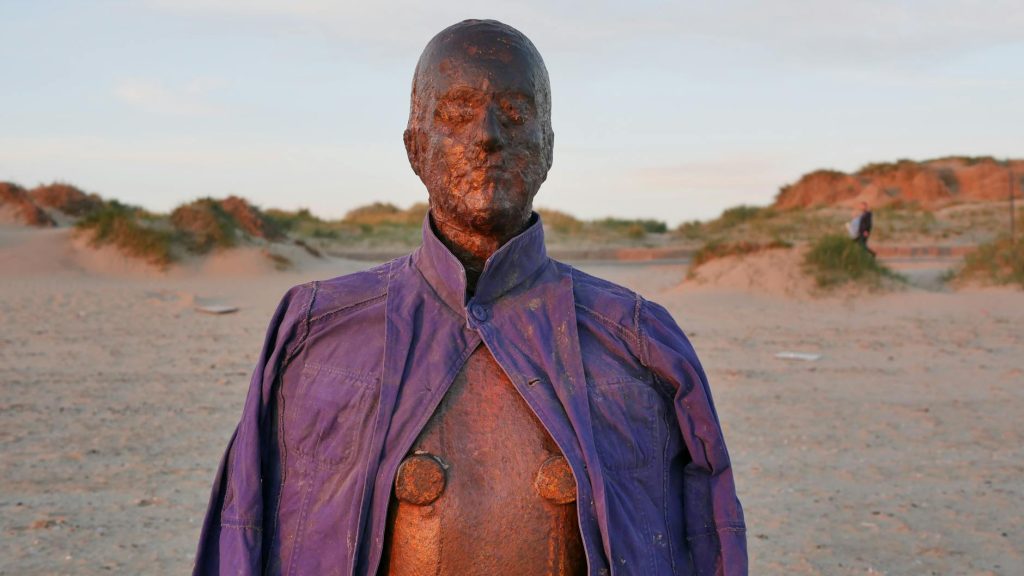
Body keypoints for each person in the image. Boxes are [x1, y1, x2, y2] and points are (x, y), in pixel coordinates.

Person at [193, 19, 746, 576]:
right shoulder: (314, 332)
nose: (486, 136)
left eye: (514, 113)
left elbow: (709, 534)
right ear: (415, 146)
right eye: (457, 114)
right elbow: (243, 530)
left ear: (547, 147)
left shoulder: (638, 340)